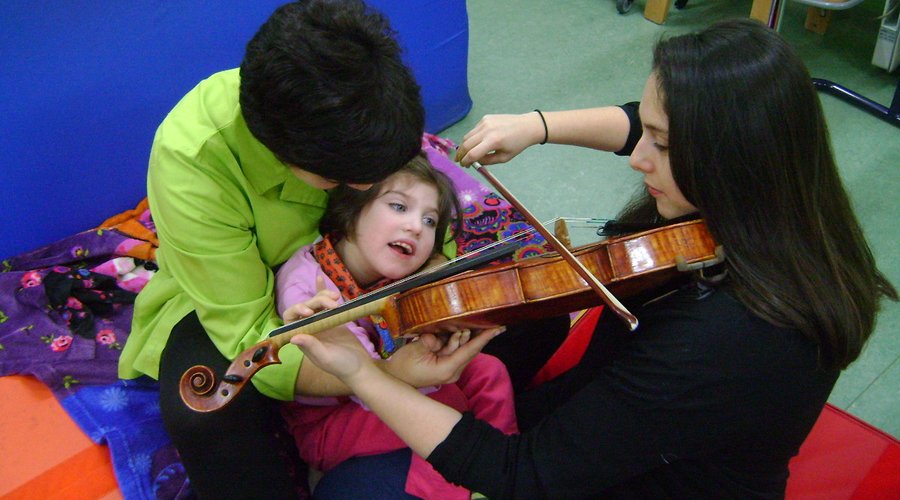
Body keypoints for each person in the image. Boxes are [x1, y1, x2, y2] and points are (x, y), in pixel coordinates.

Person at [289, 18, 898, 498]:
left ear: (727, 157)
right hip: (619, 407)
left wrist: (360, 372)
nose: (638, 155)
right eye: (650, 132)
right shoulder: (781, 202)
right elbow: (639, 123)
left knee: (351, 489)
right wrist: (538, 125)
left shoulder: (732, 337)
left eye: (662, 146)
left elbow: (522, 476)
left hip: (644, 482)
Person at [116, 1, 439, 497]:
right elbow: (245, 330)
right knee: (205, 411)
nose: (366, 186)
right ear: (282, 151)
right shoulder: (192, 158)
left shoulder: (361, 109)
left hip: (362, 274)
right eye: (342, 180)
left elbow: (422, 195)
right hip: (245, 300)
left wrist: (436, 274)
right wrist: (381, 376)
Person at [276, 154, 516, 499]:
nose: (417, 227)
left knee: (488, 370)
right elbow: (360, 379)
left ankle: (501, 471)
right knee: (446, 401)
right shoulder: (308, 285)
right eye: (399, 207)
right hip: (332, 421)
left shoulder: (392, 274)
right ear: (352, 208)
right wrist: (418, 368)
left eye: (430, 220)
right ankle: (457, 489)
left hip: (389, 379)